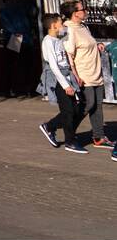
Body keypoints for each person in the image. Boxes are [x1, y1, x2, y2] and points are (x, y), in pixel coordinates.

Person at [63, 0, 111, 148]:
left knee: (97, 105)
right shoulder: (68, 29)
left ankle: (99, 137)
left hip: (95, 72)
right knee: (88, 104)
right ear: (75, 13)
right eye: (83, 9)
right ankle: (68, 132)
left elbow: (87, 45)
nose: (86, 11)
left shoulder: (83, 26)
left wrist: (97, 45)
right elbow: (68, 54)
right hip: (83, 74)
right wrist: (75, 75)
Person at [40, 13, 87, 154]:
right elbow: (54, 66)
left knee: (75, 109)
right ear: (54, 25)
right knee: (68, 111)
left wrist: (74, 76)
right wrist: (65, 85)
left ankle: (50, 126)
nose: (63, 26)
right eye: (61, 23)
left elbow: (65, 59)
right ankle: (70, 142)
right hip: (58, 79)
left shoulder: (58, 39)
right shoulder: (48, 41)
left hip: (67, 76)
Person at [0, 0, 36, 98]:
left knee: (12, 65)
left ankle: (11, 89)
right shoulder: (24, 4)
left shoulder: (8, 7)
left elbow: (5, 21)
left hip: (15, 36)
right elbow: (33, 12)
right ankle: (28, 89)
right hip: (24, 36)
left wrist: (14, 32)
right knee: (26, 65)